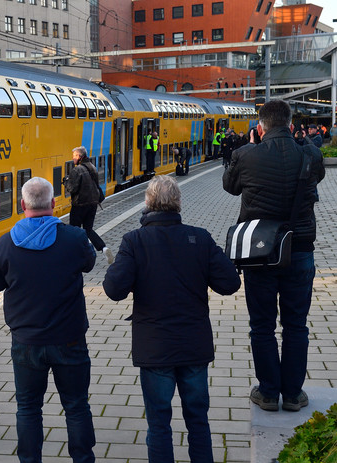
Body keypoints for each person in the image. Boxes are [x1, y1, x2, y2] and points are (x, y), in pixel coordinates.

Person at [103, 176, 241, 463]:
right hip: (193, 346)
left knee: (159, 424)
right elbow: (229, 284)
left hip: (155, 350)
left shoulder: (134, 241)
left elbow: (113, 290)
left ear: (148, 203)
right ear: (178, 202)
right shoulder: (200, 238)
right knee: (198, 421)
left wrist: (118, 267)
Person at [222, 100, 325, 412]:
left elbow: (229, 187)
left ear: (260, 126)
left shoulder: (245, 154)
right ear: (291, 125)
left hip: (260, 252)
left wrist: (250, 147)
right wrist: (303, 141)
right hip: (300, 249)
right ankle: (293, 394)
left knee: (262, 325)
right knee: (297, 325)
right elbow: (317, 178)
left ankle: (268, 393)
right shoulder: (310, 153)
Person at [0, 176, 97, 463]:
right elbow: (89, 263)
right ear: (53, 203)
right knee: (76, 406)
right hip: (70, 339)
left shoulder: (5, 244)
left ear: (22, 205)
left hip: (26, 341)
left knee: (28, 408)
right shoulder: (74, 238)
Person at [64, 146, 112, 259]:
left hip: (80, 204)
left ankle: (75, 254)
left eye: (75, 156)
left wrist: (66, 182)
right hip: (93, 204)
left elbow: (72, 189)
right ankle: (103, 248)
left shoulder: (77, 170)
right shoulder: (92, 167)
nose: (73, 158)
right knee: (88, 229)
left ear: (80, 157)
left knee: (74, 230)